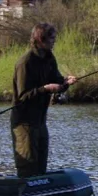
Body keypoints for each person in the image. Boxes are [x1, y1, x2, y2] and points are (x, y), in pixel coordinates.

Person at [11, 23, 77, 178]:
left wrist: (66, 82)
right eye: (52, 38)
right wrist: (45, 89)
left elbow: (57, 82)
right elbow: (22, 97)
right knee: (28, 169)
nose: (54, 41)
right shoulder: (25, 63)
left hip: (40, 122)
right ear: (41, 39)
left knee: (41, 168)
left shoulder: (49, 58)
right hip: (24, 123)